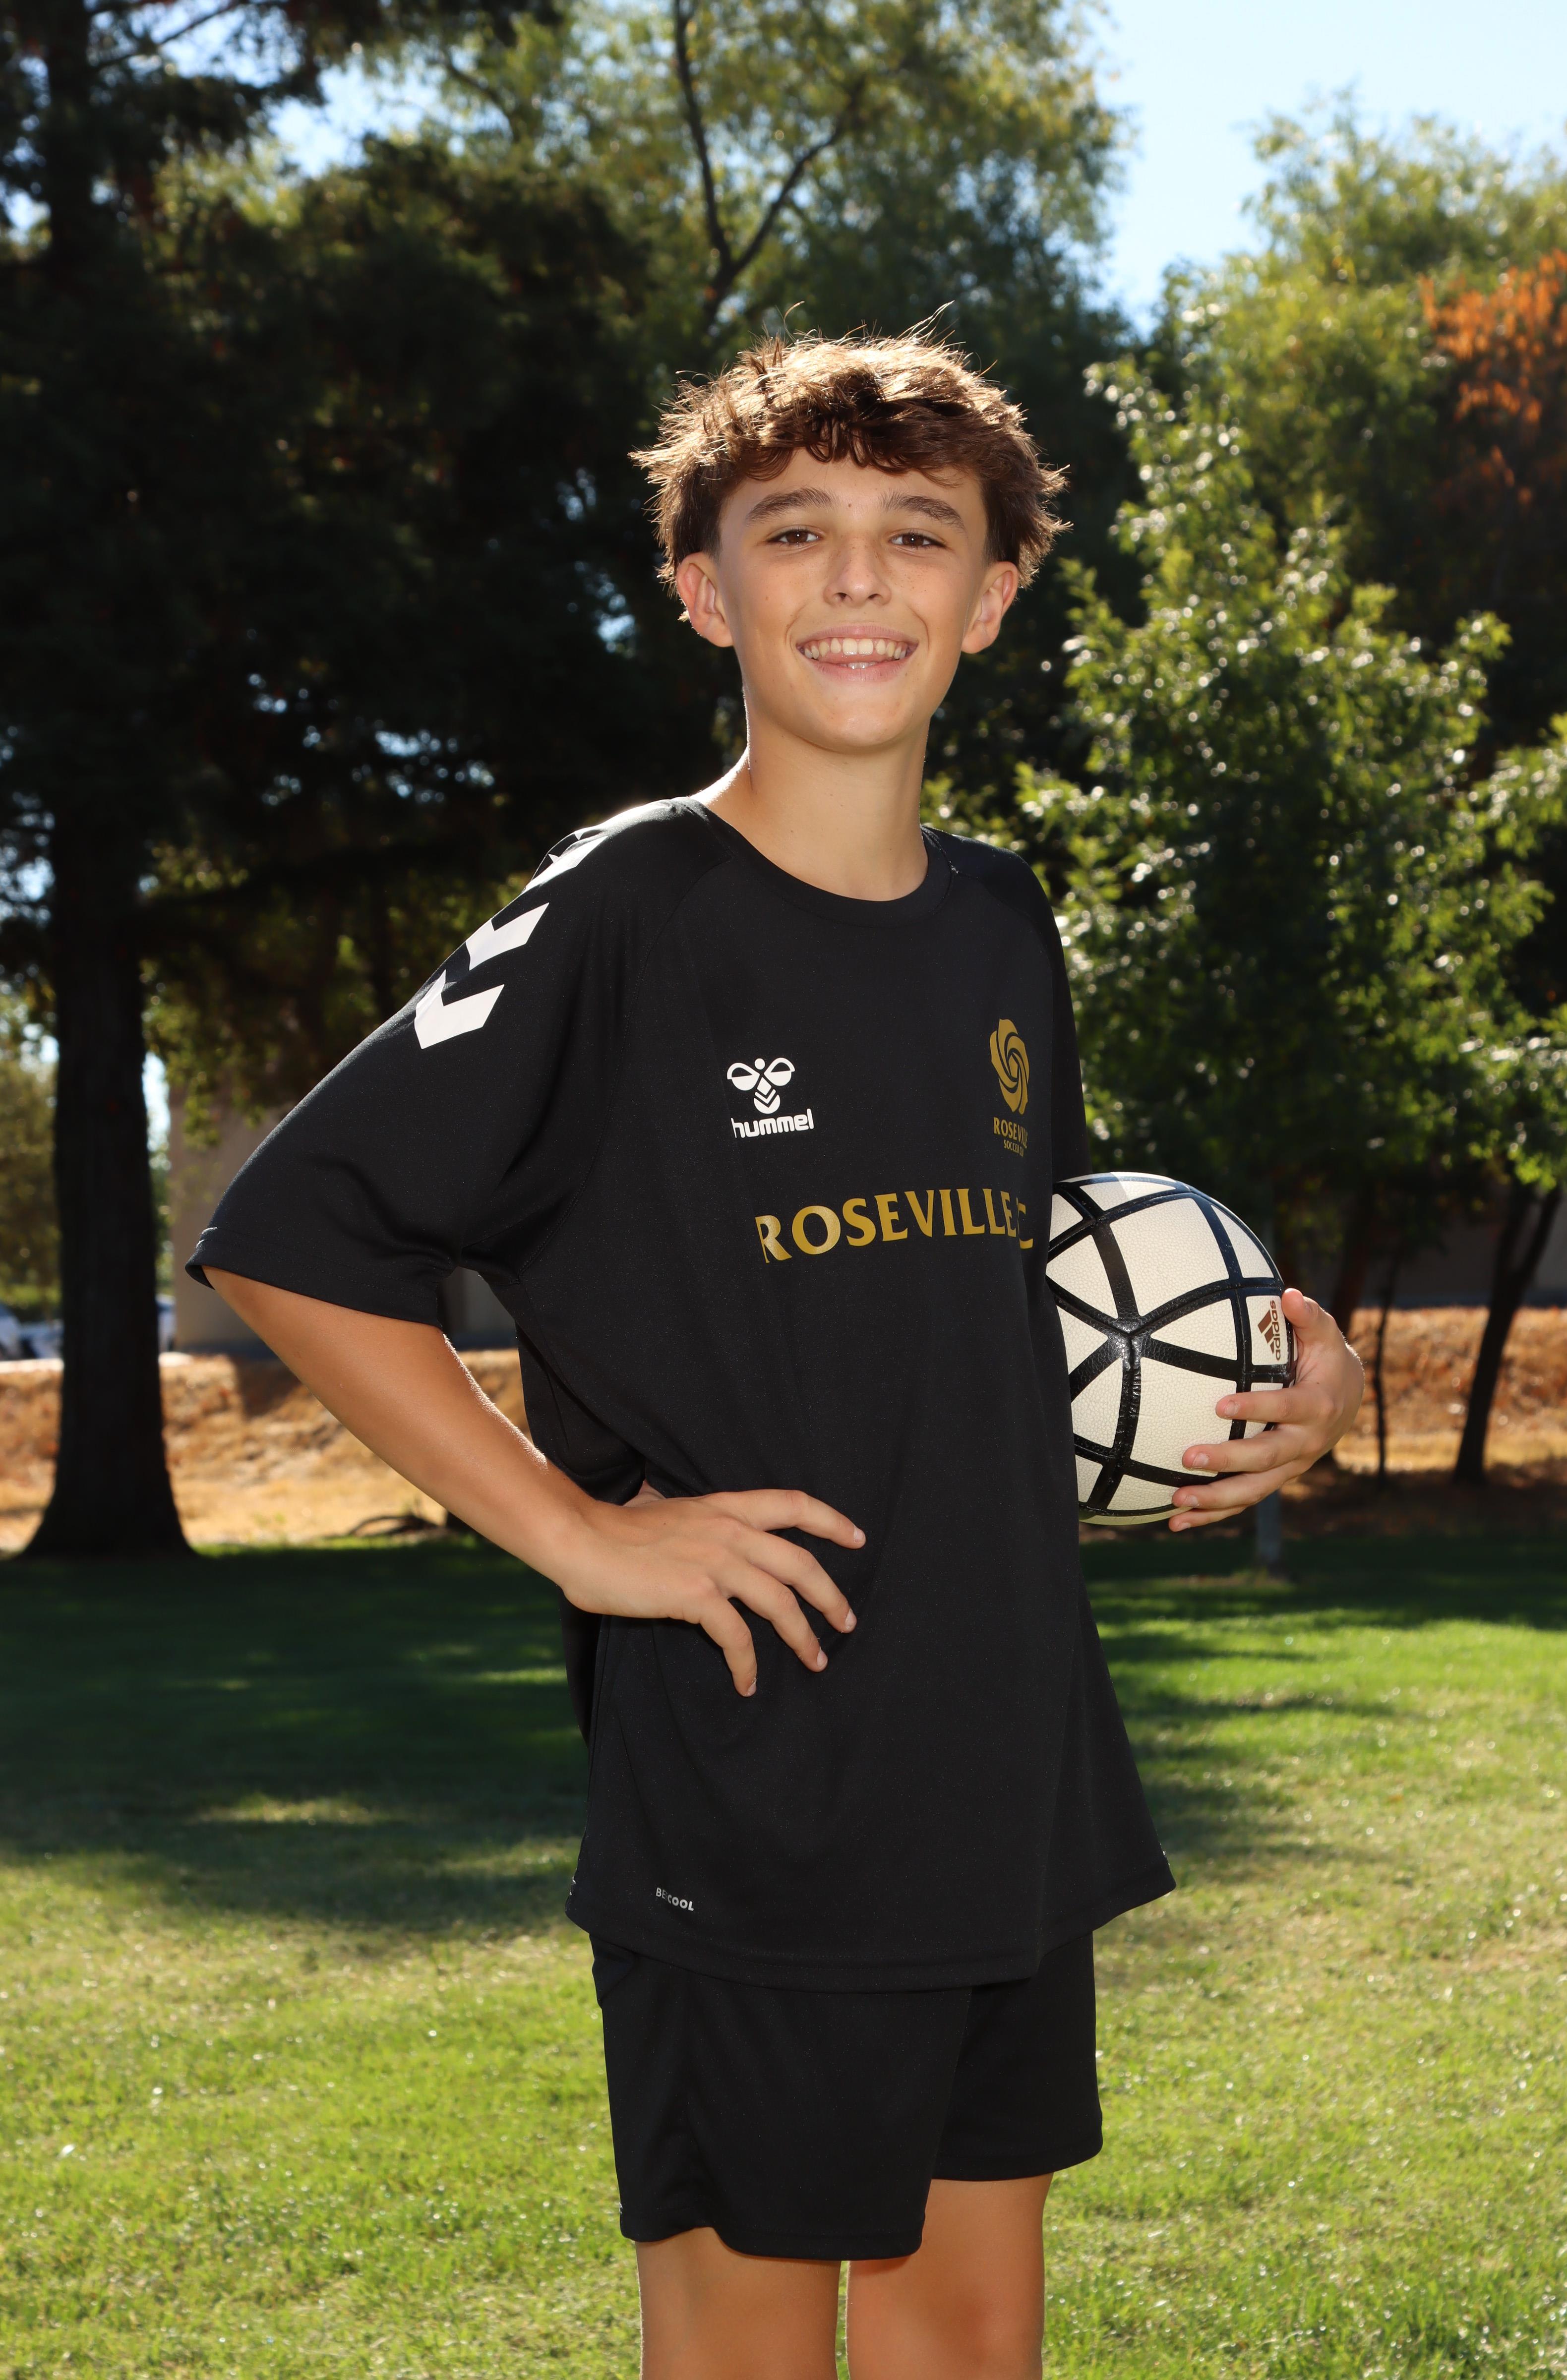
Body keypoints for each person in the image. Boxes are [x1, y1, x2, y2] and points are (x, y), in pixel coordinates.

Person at [193, 331, 1363, 2380]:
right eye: (794, 531)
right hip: (761, 1786)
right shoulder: (628, 907)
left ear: (991, 596)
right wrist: (580, 1536)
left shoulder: (1002, 927)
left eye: (917, 533)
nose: (857, 578)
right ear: (701, 587)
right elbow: (291, 1240)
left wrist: (1281, 1385)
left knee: (968, 2342)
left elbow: (1032, 1306)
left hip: (1005, 1764)